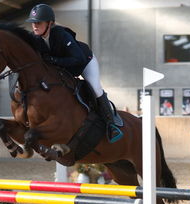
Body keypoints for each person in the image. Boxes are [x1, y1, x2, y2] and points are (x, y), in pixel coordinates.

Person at [26, 4, 123, 143]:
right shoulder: (35, 39)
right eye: (33, 23)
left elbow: (78, 59)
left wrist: (53, 60)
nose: (35, 26)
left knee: (95, 87)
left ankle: (111, 124)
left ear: (50, 23)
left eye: (38, 22)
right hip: (65, 69)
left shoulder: (61, 35)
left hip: (85, 63)